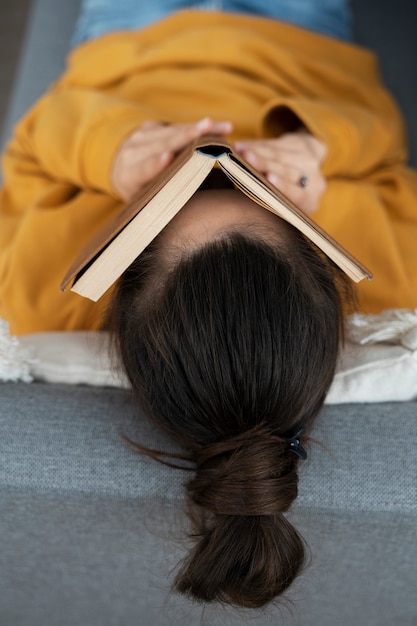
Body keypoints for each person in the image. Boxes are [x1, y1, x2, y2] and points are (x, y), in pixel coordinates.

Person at [1, 0, 417, 610]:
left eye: (169, 199)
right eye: (263, 196)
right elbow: (387, 145)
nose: (223, 156)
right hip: (303, 47)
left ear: (124, 282)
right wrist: (318, 149)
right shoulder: (396, 285)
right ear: (319, 262)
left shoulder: (35, 303)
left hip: (131, 38)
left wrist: (111, 154)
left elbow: (30, 145)